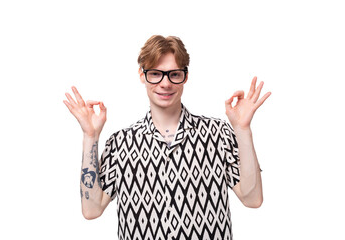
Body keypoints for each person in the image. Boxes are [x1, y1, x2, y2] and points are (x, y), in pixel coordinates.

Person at [63, 35, 271, 240]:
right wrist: (90, 136)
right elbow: (92, 210)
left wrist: (242, 129)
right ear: (142, 75)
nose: (165, 83)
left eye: (174, 74)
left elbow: (252, 199)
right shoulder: (120, 143)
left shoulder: (218, 133)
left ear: (185, 76)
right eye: (155, 74)